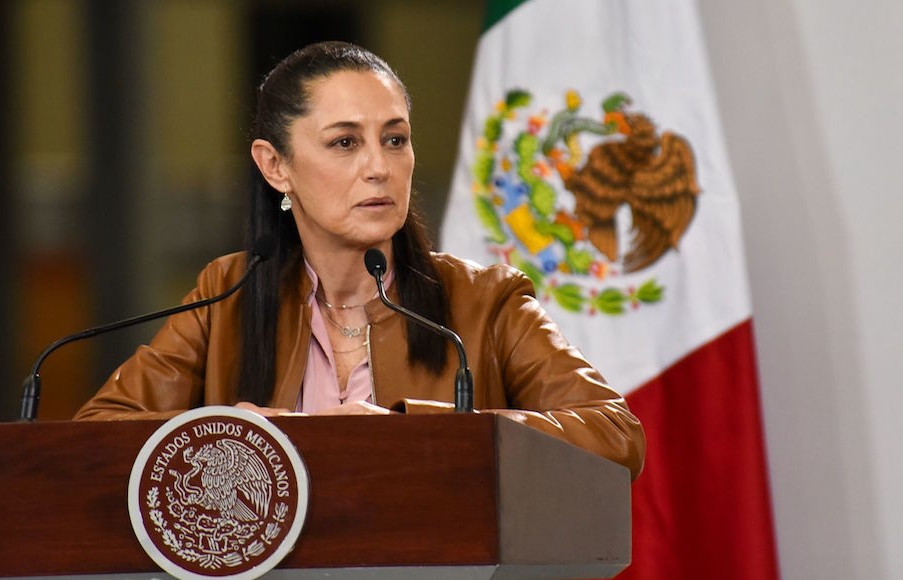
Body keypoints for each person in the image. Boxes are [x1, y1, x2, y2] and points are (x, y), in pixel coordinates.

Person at [74, 41, 645, 479]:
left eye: (394, 140)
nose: (379, 167)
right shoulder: (227, 294)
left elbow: (615, 435)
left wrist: (412, 433)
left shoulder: (485, 300)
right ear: (275, 166)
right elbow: (94, 437)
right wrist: (229, 436)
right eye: (345, 143)